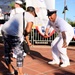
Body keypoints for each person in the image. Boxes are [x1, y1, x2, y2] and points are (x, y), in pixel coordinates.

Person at [1, 6, 36, 75]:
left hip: (4, 30)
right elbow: (28, 30)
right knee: (19, 53)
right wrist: (26, 34)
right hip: (13, 33)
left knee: (7, 52)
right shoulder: (31, 16)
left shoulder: (19, 15)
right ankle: (20, 73)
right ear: (33, 12)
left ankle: (11, 71)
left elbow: (24, 31)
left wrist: (27, 41)